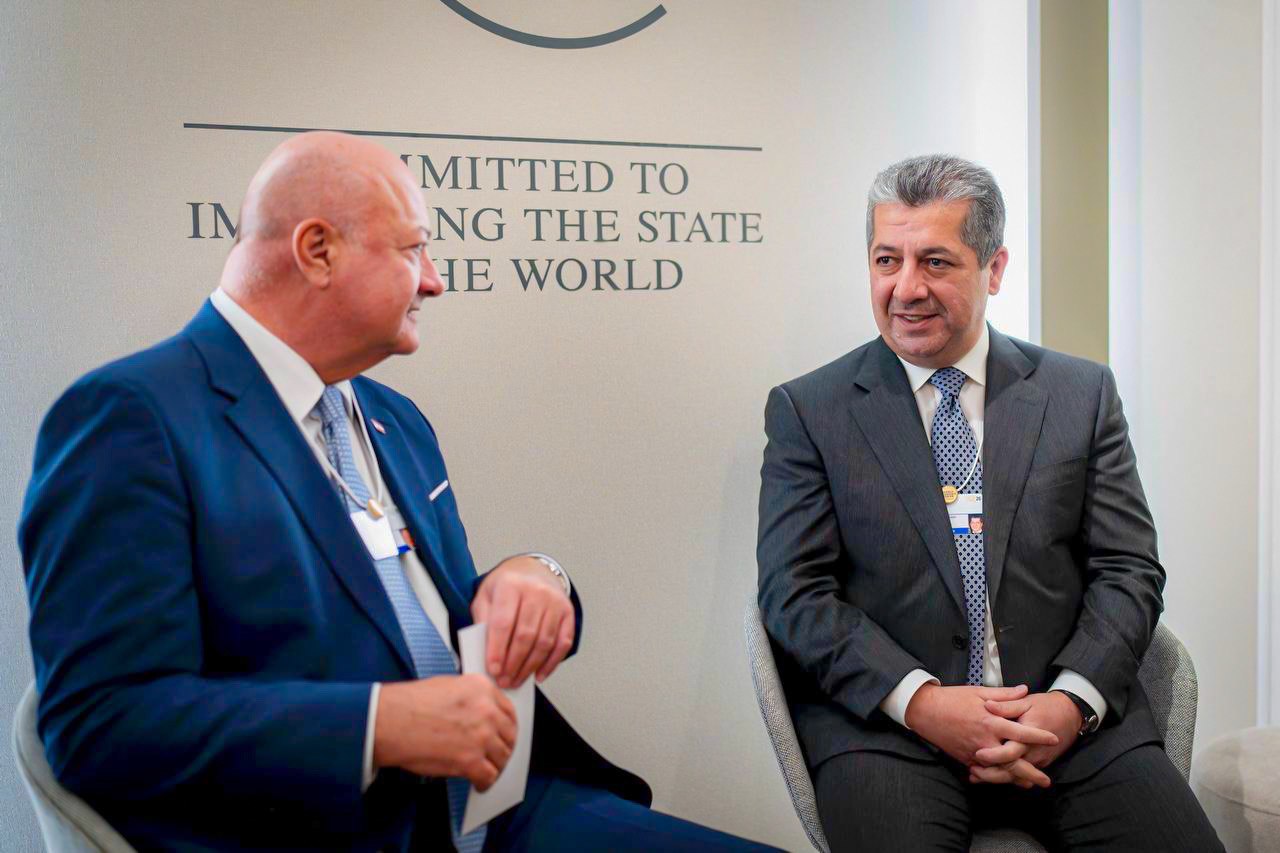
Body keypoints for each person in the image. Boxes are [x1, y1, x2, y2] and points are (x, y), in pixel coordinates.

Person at [20, 131, 776, 852]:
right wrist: (377, 725)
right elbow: (99, 723)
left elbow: (409, 613)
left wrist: (535, 578)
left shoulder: (392, 418)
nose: (436, 280)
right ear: (318, 250)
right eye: (414, 249)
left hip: (501, 813)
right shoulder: (133, 418)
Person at [756, 154, 1223, 851]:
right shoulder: (810, 410)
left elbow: (1129, 569)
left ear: (994, 269)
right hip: (892, 734)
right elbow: (794, 594)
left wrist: (1070, 703)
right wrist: (923, 702)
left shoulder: (1080, 394)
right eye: (887, 260)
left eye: (935, 262)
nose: (905, 288)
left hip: (1068, 728)